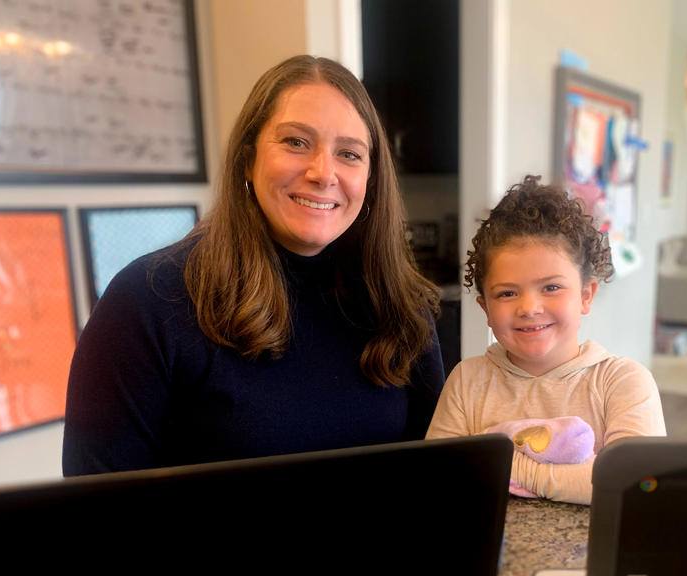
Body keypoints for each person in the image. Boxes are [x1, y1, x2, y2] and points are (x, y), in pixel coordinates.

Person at [63, 56, 445, 475]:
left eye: (349, 153)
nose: (324, 172)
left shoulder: (402, 305)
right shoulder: (144, 301)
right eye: (296, 142)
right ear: (248, 159)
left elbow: (435, 474)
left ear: (371, 177)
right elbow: (94, 505)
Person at [426, 175, 665, 504]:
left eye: (551, 287)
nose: (529, 308)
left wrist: (511, 468)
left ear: (585, 295)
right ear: (486, 308)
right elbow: (437, 476)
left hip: (593, 554)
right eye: (507, 293)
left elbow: (635, 486)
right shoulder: (467, 381)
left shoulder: (623, 383)